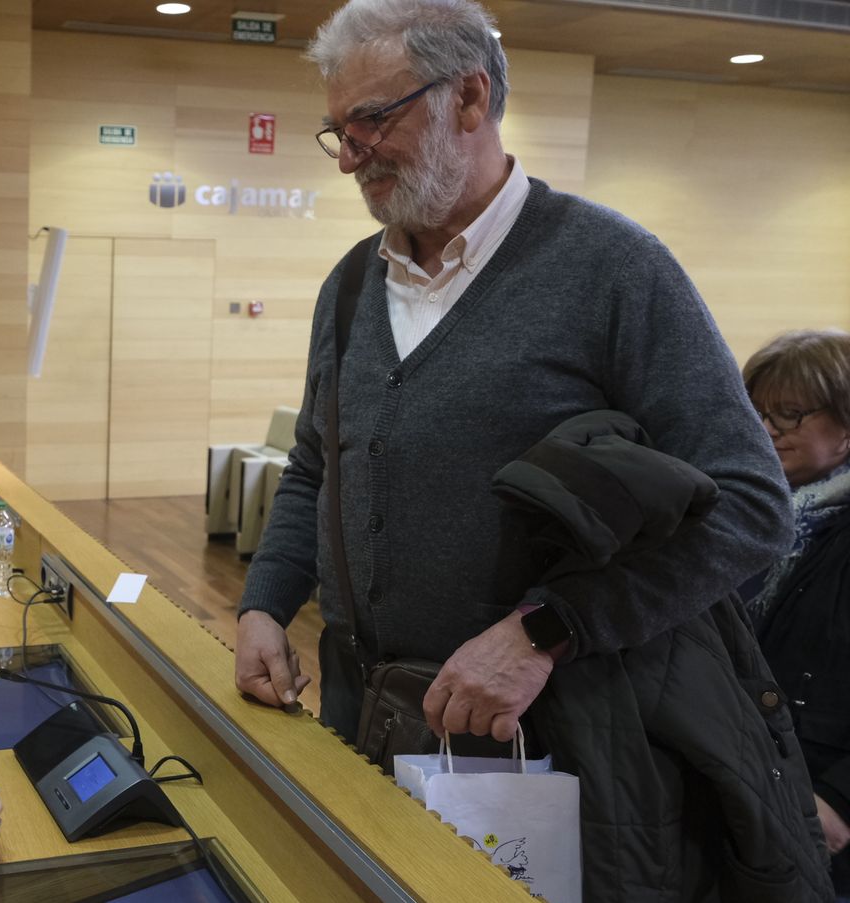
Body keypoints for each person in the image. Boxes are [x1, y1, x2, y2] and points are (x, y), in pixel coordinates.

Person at [231, 0, 829, 897]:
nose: (350, 155)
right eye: (337, 130)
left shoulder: (616, 270)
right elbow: (319, 464)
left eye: (371, 120)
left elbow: (751, 507)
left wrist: (546, 630)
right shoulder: (351, 284)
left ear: (469, 98)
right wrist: (265, 604)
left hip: (562, 747)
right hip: (373, 724)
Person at [742, 330, 850, 898]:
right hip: (749, 793)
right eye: (756, 412)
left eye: (790, 415)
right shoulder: (743, 517)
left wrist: (840, 800)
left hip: (825, 815)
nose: (766, 431)